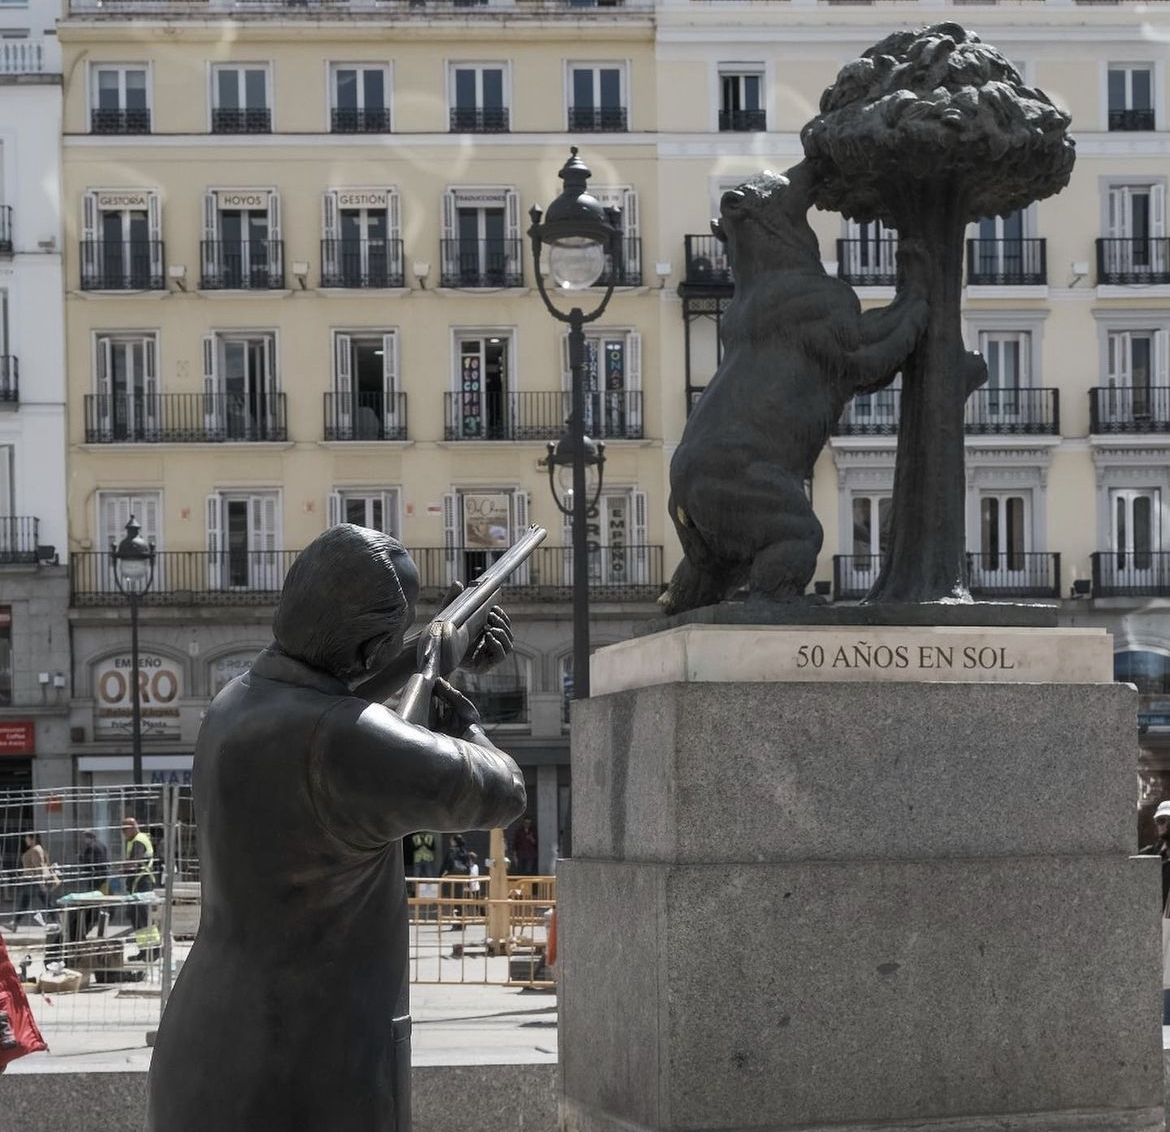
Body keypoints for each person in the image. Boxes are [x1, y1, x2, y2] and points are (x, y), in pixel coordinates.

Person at [146, 524, 526, 1132]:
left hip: (208, 1047)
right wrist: (458, 724)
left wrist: (426, 660)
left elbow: (335, 703)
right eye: (392, 637)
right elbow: (505, 790)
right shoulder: (341, 742)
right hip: (305, 1071)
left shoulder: (238, 702)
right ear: (366, 651)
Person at [15, 834, 54, 928]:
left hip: (33, 881)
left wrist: (41, 883)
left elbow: (39, 867)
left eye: (27, 838)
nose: (26, 840)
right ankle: (15, 923)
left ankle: (15, 923)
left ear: (33, 839)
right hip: (32, 880)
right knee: (45, 902)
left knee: (26, 903)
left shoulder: (36, 850)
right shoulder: (36, 849)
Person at [77, 830, 110, 939]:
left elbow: (89, 862)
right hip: (103, 876)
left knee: (93, 901)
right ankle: (98, 913)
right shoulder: (102, 845)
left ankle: (93, 917)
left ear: (88, 837)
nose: (83, 840)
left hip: (95, 877)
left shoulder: (91, 847)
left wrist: (81, 859)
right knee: (100, 898)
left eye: (85, 838)